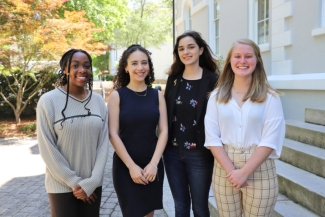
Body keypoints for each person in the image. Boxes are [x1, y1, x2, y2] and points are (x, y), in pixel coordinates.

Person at [204, 38, 285, 217]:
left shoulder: (271, 97)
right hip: (225, 167)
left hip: (260, 168)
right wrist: (233, 172)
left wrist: (244, 172)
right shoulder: (216, 96)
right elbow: (212, 138)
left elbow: (270, 140)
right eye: (237, 56)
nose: (243, 61)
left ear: (257, 61)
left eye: (248, 56)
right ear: (230, 62)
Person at [37, 49, 109, 217]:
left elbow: (103, 144)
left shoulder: (98, 101)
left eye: (86, 66)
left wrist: (91, 183)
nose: (82, 70)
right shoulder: (48, 101)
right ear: (65, 69)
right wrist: (75, 183)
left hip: (92, 186)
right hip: (61, 186)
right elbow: (47, 148)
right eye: (75, 65)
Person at [163, 30, 219, 217]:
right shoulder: (174, 79)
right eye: (181, 49)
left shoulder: (213, 80)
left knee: (200, 208)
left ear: (201, 50)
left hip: (200, 153)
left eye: (191, 47)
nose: (186, 52)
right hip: (172, 152)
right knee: (180, 206)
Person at [107, 44, 168, 217]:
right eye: (134, 63)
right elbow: (113, 134)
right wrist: (131, 166)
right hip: (126, 167)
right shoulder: (117, 96)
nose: (140, 68)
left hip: (152, 166)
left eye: (144, 63)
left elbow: (163, 131)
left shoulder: (157, 95)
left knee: (148, 214)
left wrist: (154, 164)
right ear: (125, 67)